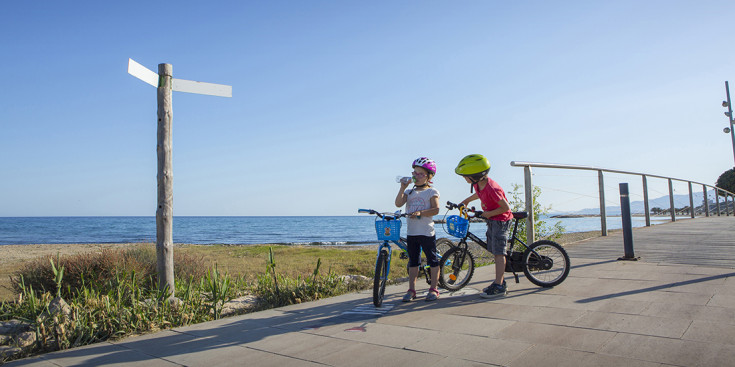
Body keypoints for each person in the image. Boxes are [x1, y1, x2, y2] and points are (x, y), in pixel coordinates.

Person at [455, 154, 513, 298]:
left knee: (499, 253)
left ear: (475, 175)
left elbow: (505, 207)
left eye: (465, 176)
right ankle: (500, 281)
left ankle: (499, 286)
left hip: (501, 221)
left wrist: (489, 214)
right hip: (493, 219)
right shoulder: (478, 183)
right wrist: (466, 201)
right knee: (494, 249)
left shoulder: (492, 188)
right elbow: (478, 194)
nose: (464, 178)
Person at [395, 157, 441, 302]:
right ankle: (411, 290)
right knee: (413, 261)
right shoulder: (409, 192)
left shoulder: (431, 191)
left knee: (432, 260)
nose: (416, 176)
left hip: (426, 232)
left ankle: (434, 289)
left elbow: (436, 209)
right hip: (412, 232)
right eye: (414, 173)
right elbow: (398, 204)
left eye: (420, 174)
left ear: (429, 176)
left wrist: (421, 213)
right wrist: (402, 187)